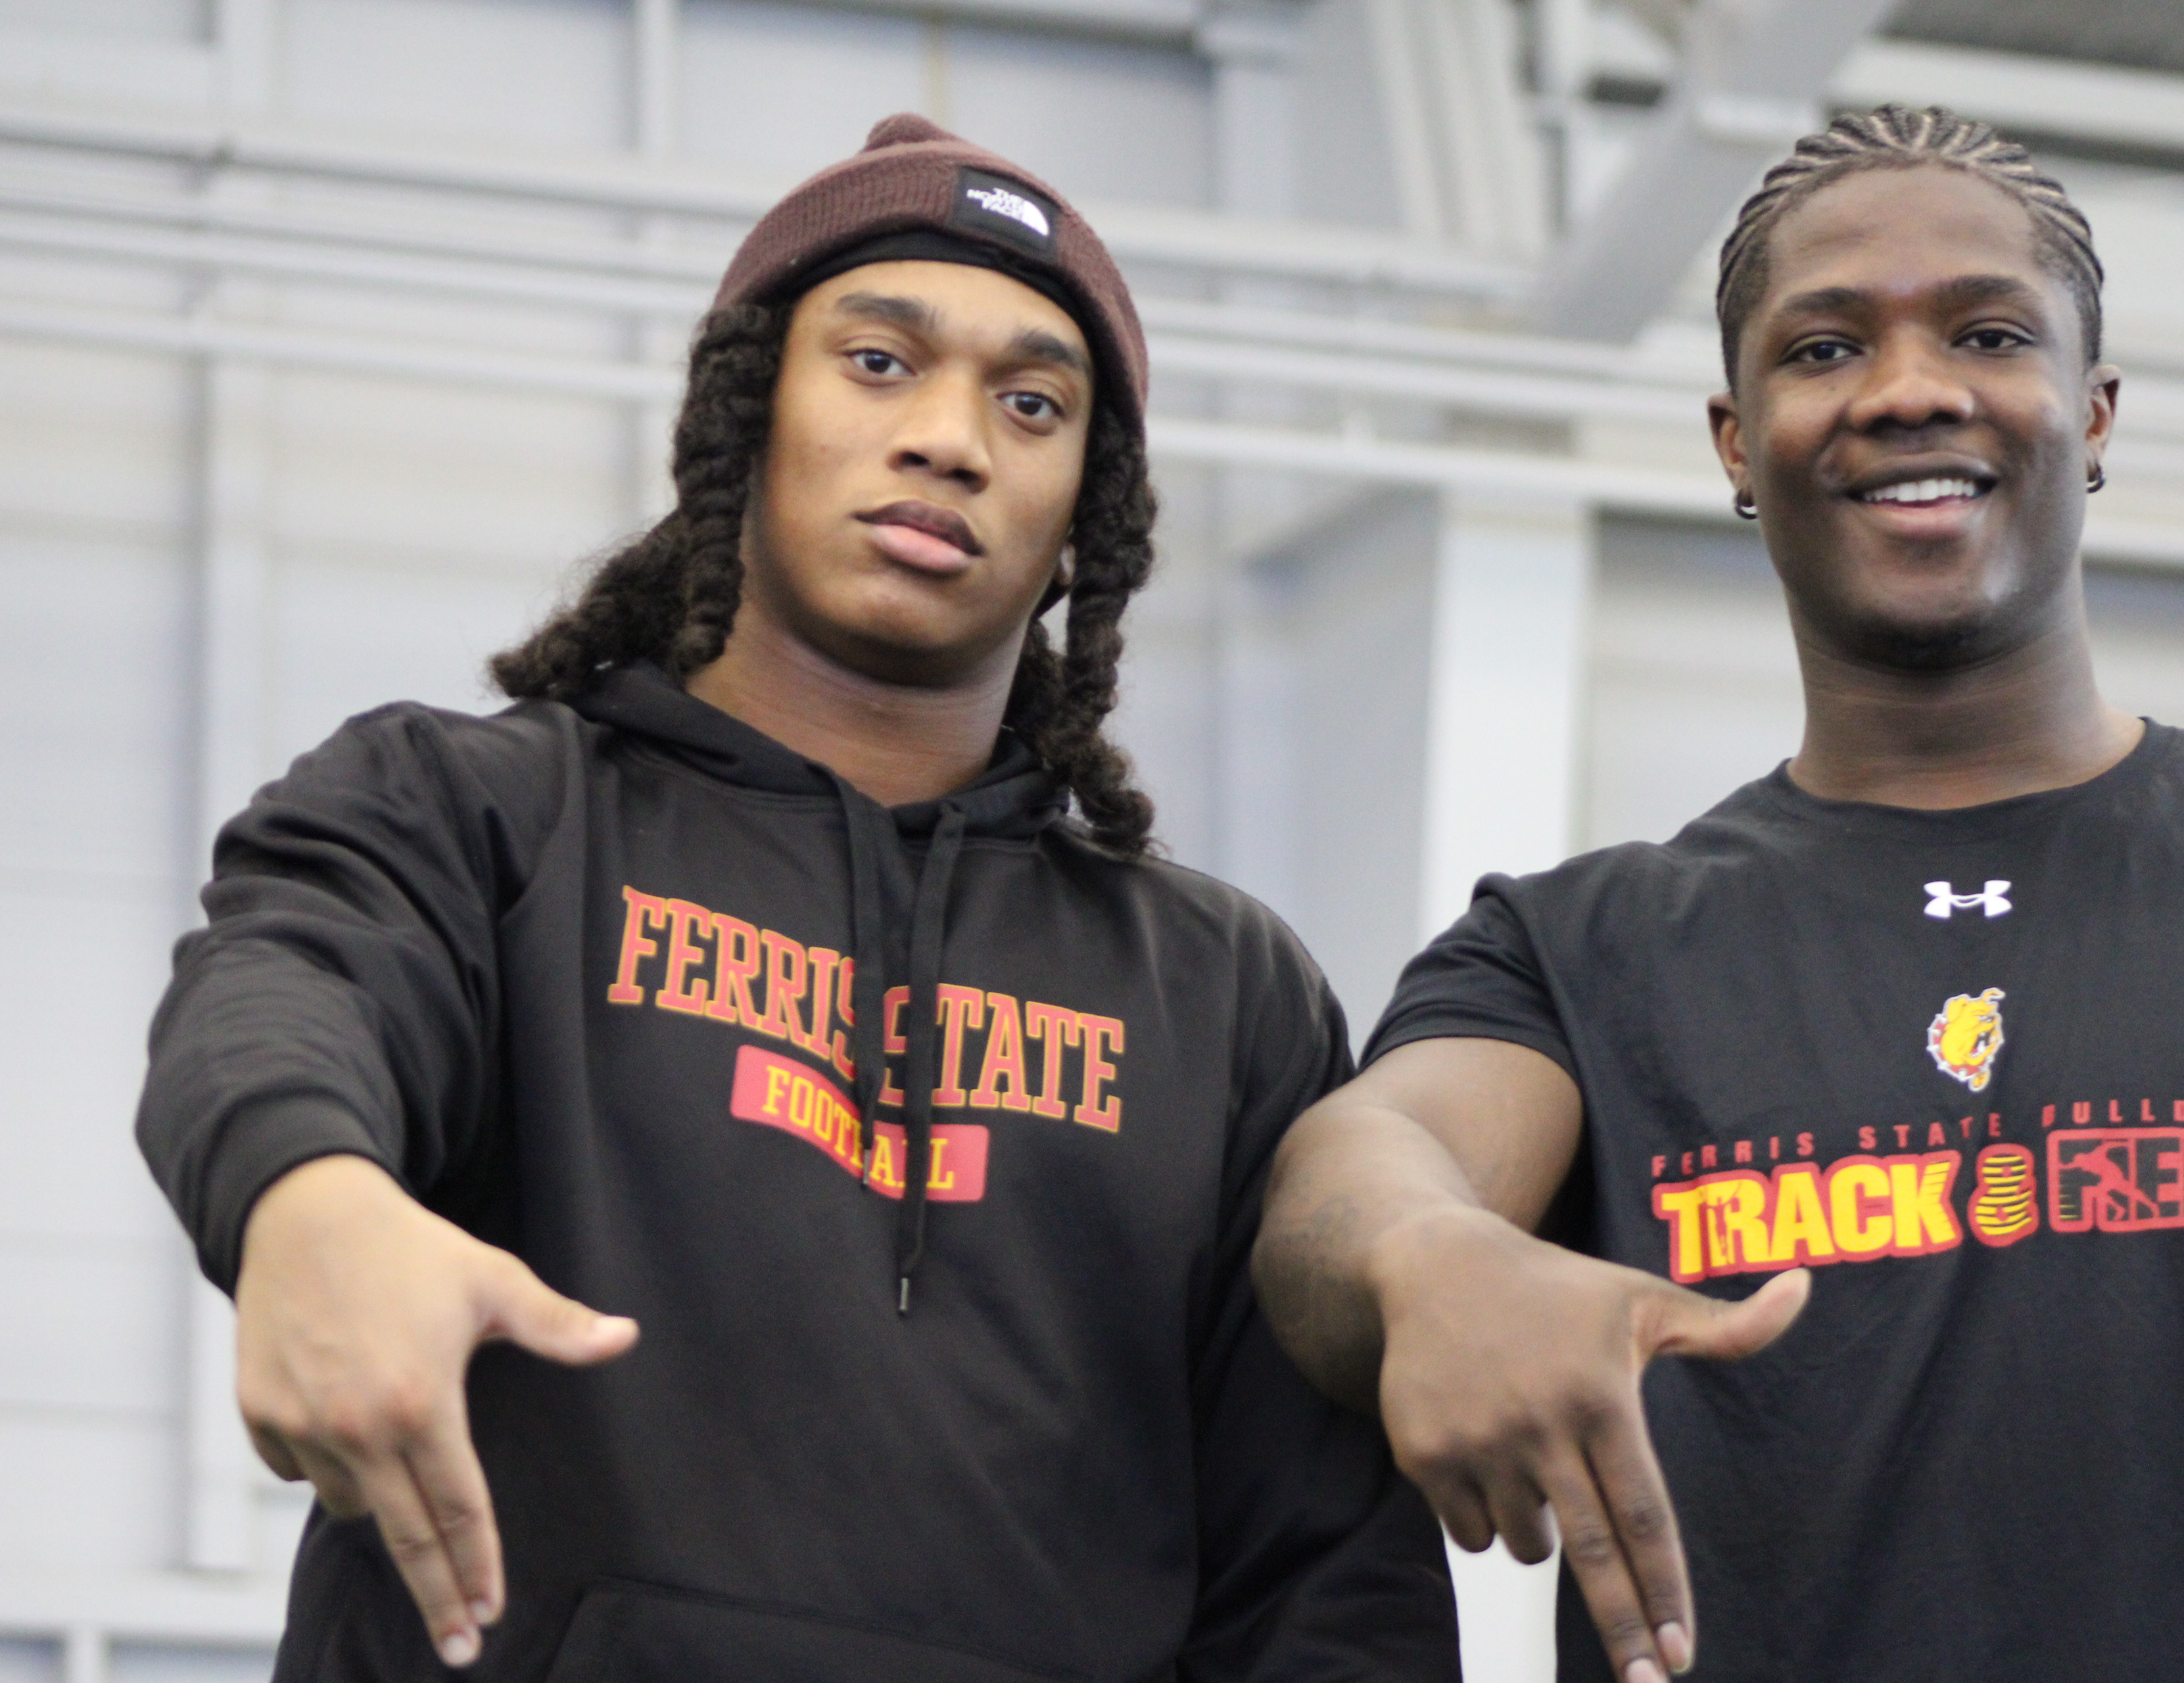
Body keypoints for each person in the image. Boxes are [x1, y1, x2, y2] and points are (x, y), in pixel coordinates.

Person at [137, 115, 1456, 1682]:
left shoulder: (1222, 990)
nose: (951, 439)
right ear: (744, 412)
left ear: (1083, 519)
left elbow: (1329, 1577)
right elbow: (287, 984)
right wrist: (309, 1195)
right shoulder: (477, 812)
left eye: (1032, 403)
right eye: (880, 362)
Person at [1254, 105, 2184, 1683]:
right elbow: (1352, 1175)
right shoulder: (1576, 951)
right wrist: (1425, 1252)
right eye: (1825, 347)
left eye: (1989, 333)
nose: (1911, 388)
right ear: (1737, 440)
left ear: (2095, 411)